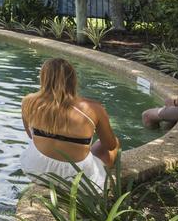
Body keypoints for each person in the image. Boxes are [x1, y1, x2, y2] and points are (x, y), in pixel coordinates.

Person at [20, 57, 120, 189]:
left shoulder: (29, 102)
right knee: (114, 142)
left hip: (35, 168)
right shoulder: (93, 108)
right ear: (73, 79)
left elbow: (30, 135)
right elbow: (110, 145)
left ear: (43, 78)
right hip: (77, 178)